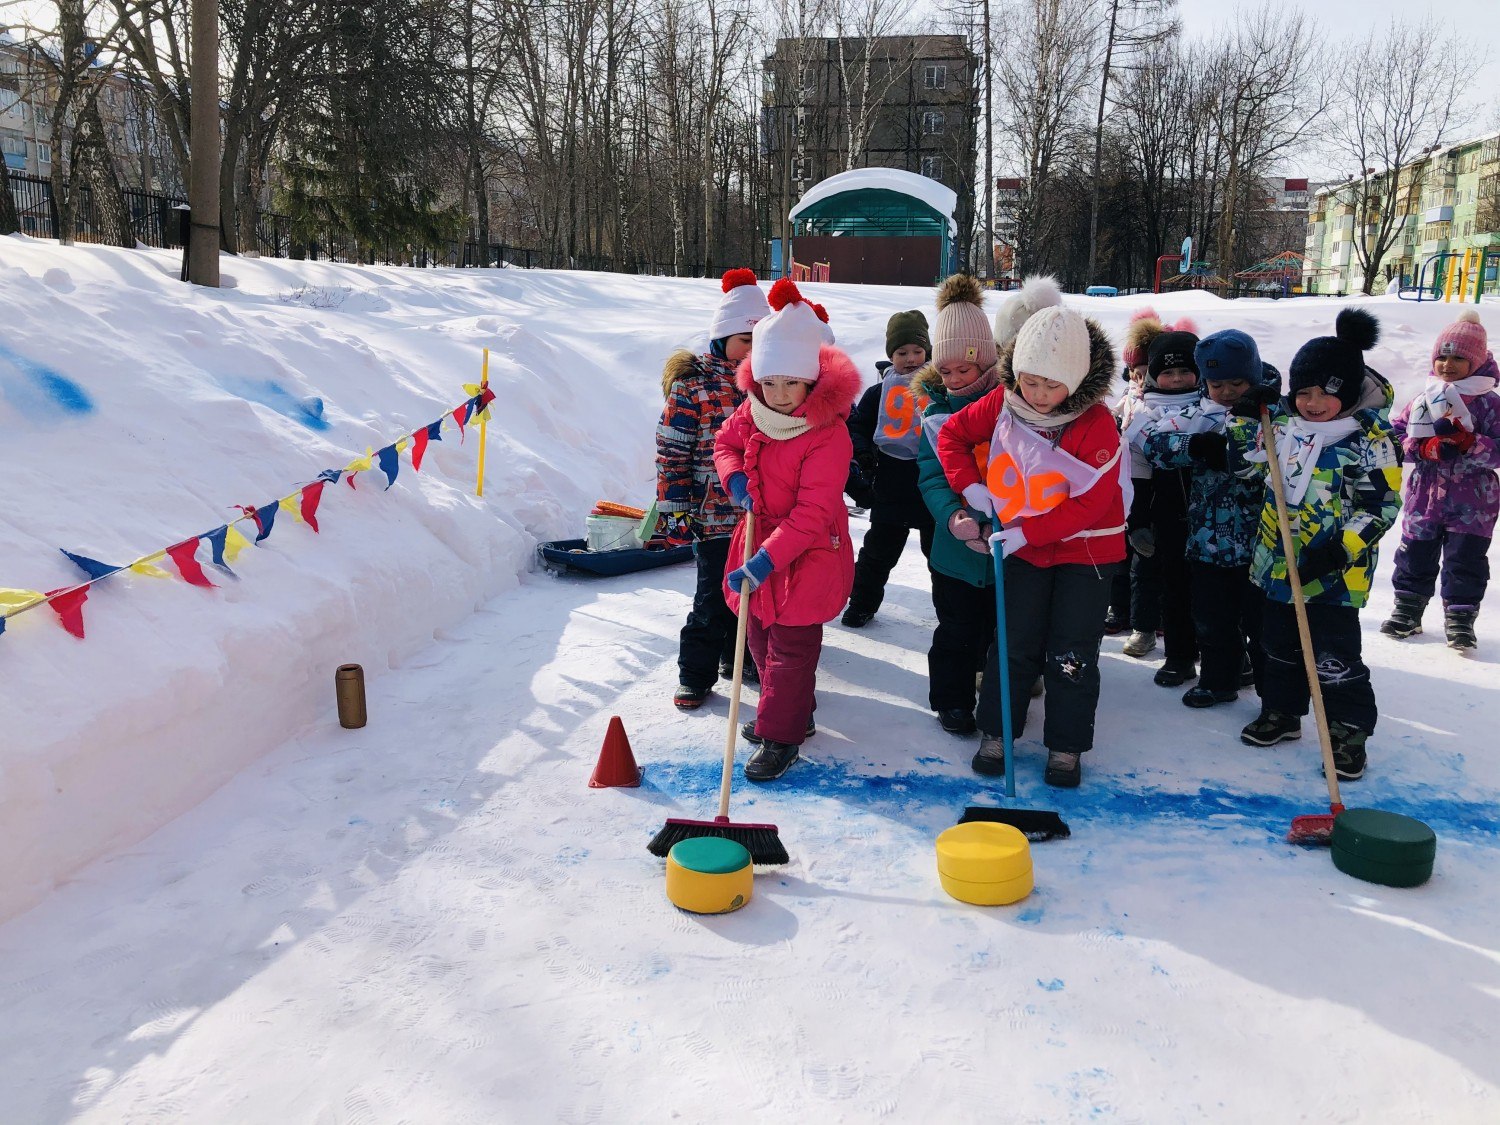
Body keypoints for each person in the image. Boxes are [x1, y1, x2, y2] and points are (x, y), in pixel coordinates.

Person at [936, 304, 1126, 788]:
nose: (1038, 396)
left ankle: (1066, 745)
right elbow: (953, 435)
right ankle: (997, 732)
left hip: (1087, 551)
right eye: (1030, 381)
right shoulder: (1004, 402)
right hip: (1024, 547)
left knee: (1071, 649)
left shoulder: (1096, 422)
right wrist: (971, 488)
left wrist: (1027, 531)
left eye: (1051, 385)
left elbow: (1092, 502)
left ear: (1077, 380)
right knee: (1012, 641)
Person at [1226, 309, 1400, 781]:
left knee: (1333, 655)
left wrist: (1339, 549)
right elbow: (1246, 467)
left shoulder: (1371, 438)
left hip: (1335, 574)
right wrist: (1247, 420)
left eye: (1325, 392)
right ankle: (1282, 712)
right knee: (1277, 645)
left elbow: (1381, 505)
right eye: (1303, 392)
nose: (1313, 402)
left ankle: (1347, 731)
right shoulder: (1283, 427)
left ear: (1345, 391)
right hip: (1276, 563)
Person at [713, 278, 860, 781]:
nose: (777, 395)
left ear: (811, 382)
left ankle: (781, 736)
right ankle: (792, 711)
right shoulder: (753, 409)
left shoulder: (828, 434)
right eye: (768, 381)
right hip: (758, 537)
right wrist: (734, 479)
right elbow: (724, 444)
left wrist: (764, 563)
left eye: (789, 384)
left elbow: (812, 514)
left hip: (808, 551)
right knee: (756, 633)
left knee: (791, 649)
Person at [1142, 330, 1280, 708]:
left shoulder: (1273, 414)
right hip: (1207, 543)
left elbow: (1275, 458)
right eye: (1217, 384)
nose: (1227, 391)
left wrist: (1243, 438)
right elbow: (1155, 445)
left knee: (1261, 624)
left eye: (1237, 382)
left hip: (1261, 545)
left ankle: (1276, 699)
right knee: (1212, 618)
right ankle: (1219, 680)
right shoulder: (1199, 414)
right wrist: (1196, 446)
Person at [657, 269, 769, 710]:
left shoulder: (771, 387)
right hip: (713, 515)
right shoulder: (694, 386)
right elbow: (672, 451)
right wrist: (677, 509)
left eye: (761, 342)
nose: (752, 351)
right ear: (723, 339)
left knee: (753, 593)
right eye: (746, 340)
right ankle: (695, 674)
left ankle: (738, 657)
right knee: (711, 598)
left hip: (758, 513)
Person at [1384, 309, 1500, 650]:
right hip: (1424, 496)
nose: (1447, 365)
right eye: (1442, 357)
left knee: (1465, 560)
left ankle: (1460, 617)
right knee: (1413, 554)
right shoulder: (1425, 398)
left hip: (1474, 502)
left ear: (1476, 362)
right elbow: (1397, 437)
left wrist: (1471, 444)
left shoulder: (1489, 404)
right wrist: (1423, 447)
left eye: (1459, 358)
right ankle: (1407, 609)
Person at [842, 310, 935, 627]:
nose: (911, 359)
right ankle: (861, 603)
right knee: (878, 552)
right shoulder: (879, 392)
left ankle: (951, 610)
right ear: (890, 355)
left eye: (918, 352)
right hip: (890, 484)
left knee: (939, 556)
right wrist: (865, 457)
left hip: (930, 486)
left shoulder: (940, 388)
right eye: (902, 352)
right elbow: (857, 427)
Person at [1123, 320, 1202, 685]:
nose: (1178, 379)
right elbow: (1137, 471)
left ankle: (1228, 656)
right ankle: (1180, 656)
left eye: (1186, 370)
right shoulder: (1145, 414)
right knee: (1174, 588)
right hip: (1167, 513)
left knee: (1215, 591)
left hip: (1214, 516)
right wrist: (1138, 521)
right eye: (1168, 372)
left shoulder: (1214, 406)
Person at [1111, 309, 1169, 650]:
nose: (1141, 382)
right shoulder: (1128, 398)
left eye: (1148, 374)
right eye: (1136, 375)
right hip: (1128, 480)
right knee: (1126, 549)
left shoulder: (1167, 402)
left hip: (1155, 479)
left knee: (1149, 553)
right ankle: (1121, 609)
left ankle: (1151, 617)